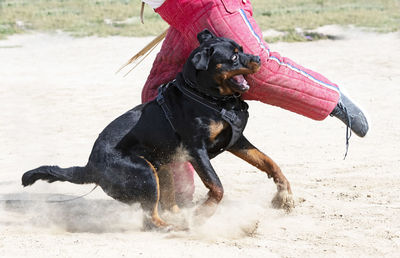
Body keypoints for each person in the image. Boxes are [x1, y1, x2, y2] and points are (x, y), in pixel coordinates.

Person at [138, 0, 369, 205]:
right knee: (160, 95)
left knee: (257, 72)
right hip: (178, 13)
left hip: (208, 6)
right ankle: (177, 196)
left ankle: (331, 97)